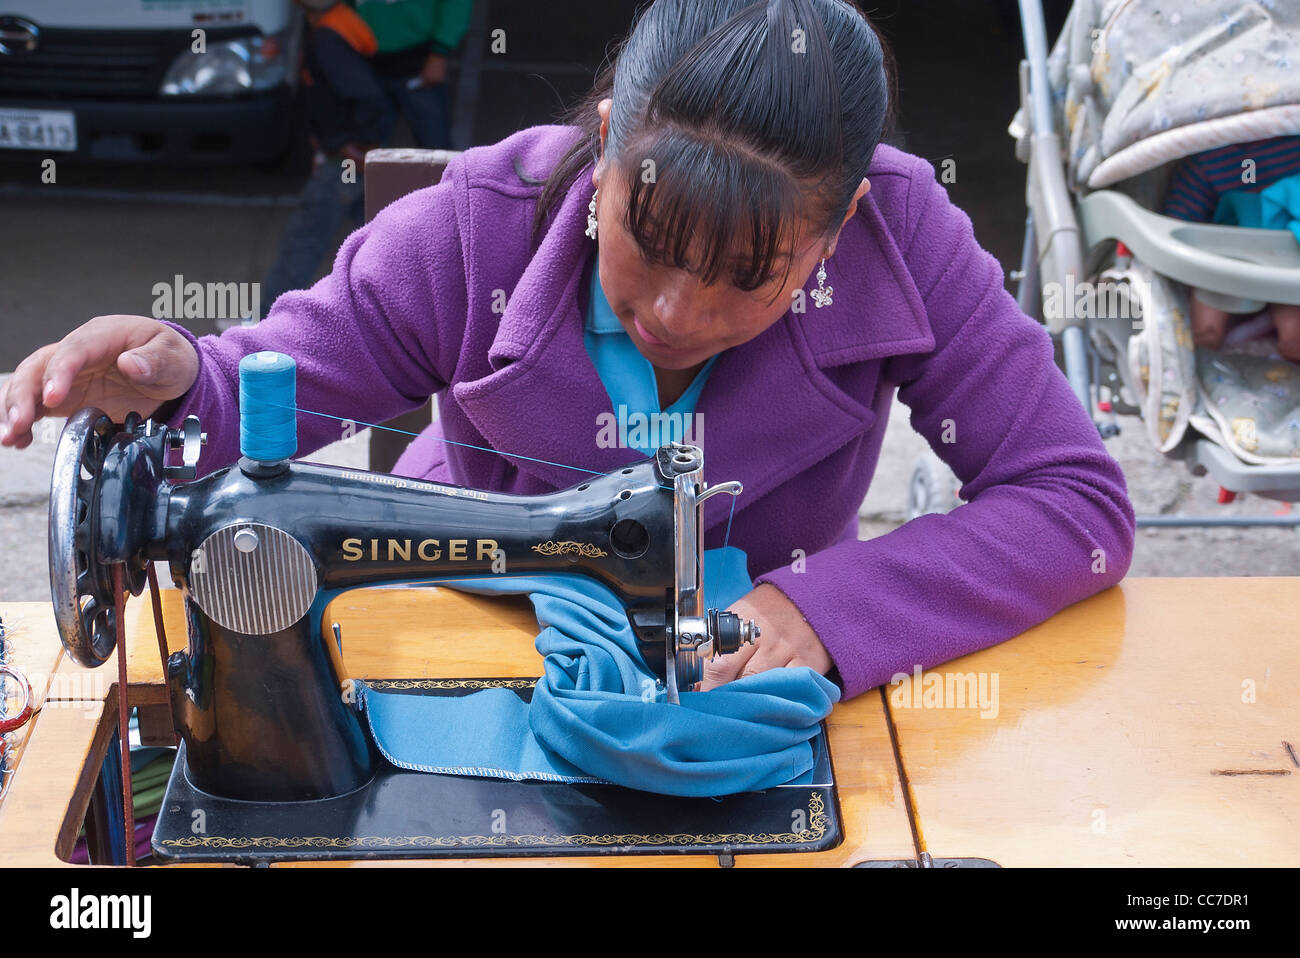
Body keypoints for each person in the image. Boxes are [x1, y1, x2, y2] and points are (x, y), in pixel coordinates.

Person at [0, 0, 1134, 700]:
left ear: (836, 233)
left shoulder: (902, 236)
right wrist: (175, 387)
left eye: (748, 277)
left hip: (751, 670)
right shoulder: (472, 226)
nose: (681, 312)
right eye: (649, 248)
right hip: (459, 630)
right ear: (601, 156)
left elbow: (1072, 503)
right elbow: (270, 396)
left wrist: (829, 613)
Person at [259, 0, 395, 319]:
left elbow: (368, 98)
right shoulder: (337, 24)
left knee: (304, 240)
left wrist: (349, 145)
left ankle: (268, 323)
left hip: (342, 163)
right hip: (348, 159)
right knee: (378, 240)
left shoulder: (327, 39)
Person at [1163, 134, 1300, 361]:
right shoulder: (1205, 160)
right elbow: (1175, 225)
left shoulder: (1293, 138)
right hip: (1227, 256)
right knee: (1203, 330)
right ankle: (1199, 372)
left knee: (1294, 336)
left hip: (1288, 256)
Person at [355, 0, 472, 150]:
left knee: (436, 151)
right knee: (365, 149)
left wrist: (440, 52)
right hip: (364, 63)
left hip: (420, 65)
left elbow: (457, 4)